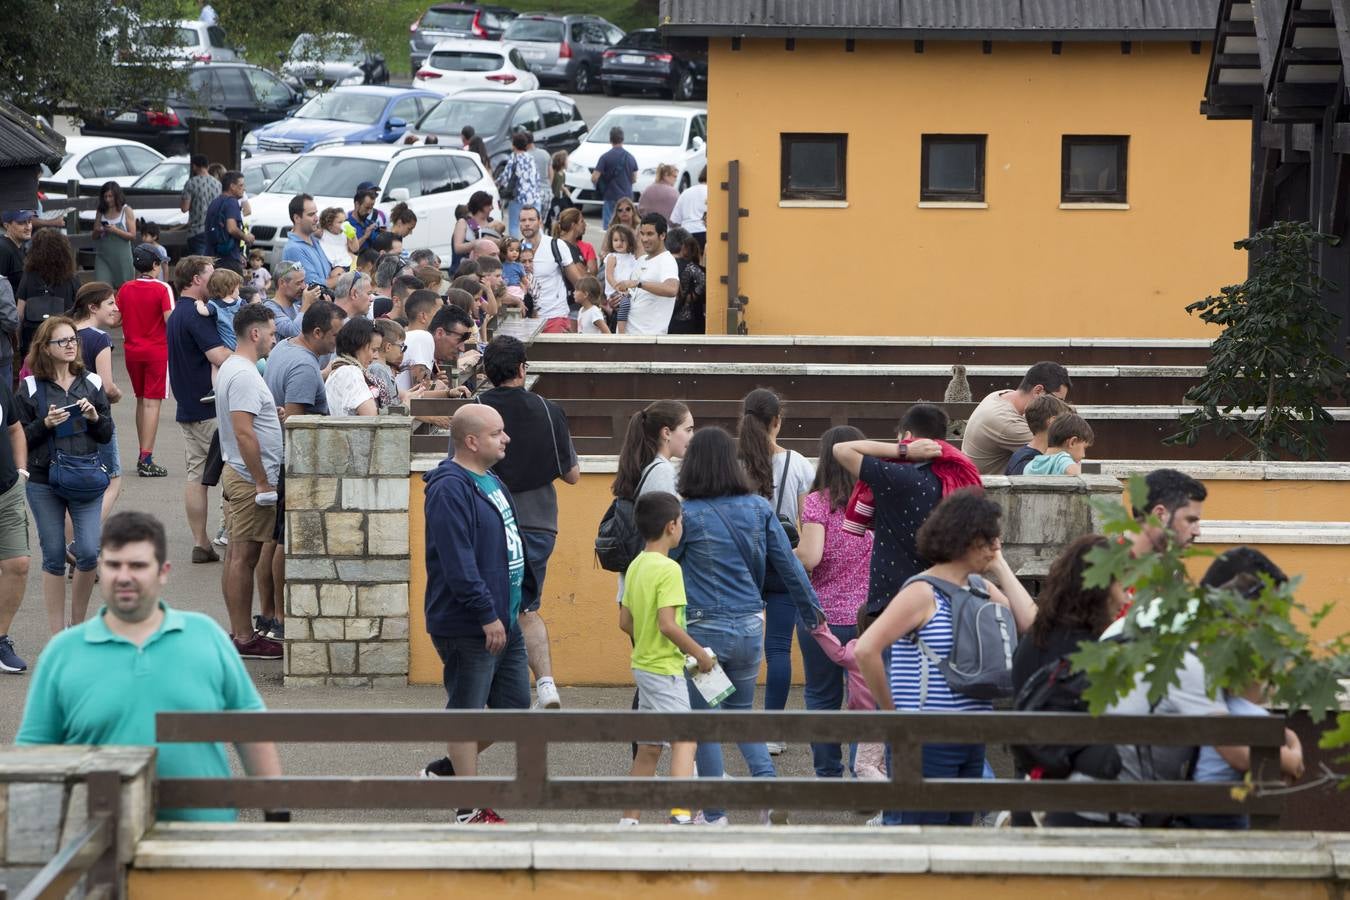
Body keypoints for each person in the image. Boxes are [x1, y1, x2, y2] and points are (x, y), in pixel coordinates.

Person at [15, 511, 283, 821]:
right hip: (100, 846)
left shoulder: (204, 636)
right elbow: (34, 753)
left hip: (205, 842)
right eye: (114, 565)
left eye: (138, 565)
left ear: (163, 572)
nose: (124, 576)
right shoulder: (63, 653)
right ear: (100, 568)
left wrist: (276, 815)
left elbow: (249, 728)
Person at [854, 489, 1036, 825]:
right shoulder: (922, 591)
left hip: (970, 734)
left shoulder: (979, 587)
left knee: (958, 842)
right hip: (926, 737)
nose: (997, 544)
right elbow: (866, 649)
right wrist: (892, 714)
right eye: (989, 538)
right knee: (922, 840)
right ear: (967, 539)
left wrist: (1000, 564)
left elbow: (1030, 622)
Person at [671, 426, 822, 825]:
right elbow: (789, 566)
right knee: (741, 716)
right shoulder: (759, 508)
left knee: (704, 722)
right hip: (752, 627)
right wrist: (814, 616)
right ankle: (769, 796)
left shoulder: (686, 515)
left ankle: (715, 814)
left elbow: (666, 568)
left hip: (704, 636)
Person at [419, 405, 533, 824]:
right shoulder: (451, 488)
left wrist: (519, 602)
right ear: (471, 441)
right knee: (467, 711)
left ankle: (448, 769)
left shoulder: (489, 479)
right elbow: (458, 561)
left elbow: (508, 540)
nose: (506, 439)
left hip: (505, 616)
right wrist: (486, 614)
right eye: (497, 433)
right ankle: (468, 808)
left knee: (514, 708)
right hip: (471, 623)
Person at [476, 336, 579, 709]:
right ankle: (546, 685)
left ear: (488, 371)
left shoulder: (475, 410)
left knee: (486, 608)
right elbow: (572, 476)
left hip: (486, 523)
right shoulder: (550, 410)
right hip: (537, 524)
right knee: (525, 608)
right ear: (523, 368)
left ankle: (491, 691)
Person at [618, 491, 712, 826]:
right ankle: (680, 816)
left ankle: (629, 822)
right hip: (665, 668)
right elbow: (668, 624)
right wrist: (700, 654)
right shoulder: (670, 569)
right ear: (672, 526)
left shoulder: (636, 565)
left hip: (643, 666)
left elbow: (624, 622)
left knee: (649, 749)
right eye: (681, 522)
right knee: (685, 739)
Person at [17, 316, 114, 636]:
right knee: (54, 554)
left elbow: (106, 434)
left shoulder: (93, 383)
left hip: (85, 475)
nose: (71, 344)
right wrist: (44, 424)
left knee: (88, 552)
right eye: (63, 341)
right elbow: (19, 439)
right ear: (46, 348)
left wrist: (94, 416)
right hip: (45, 480)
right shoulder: (31, 387)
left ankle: (79, 625)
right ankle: (59, 634)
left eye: (73, 339)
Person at [794, 425, 873, 778]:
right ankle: (864, 771)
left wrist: (787, 553)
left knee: (821, 697)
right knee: (865, 700)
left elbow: (810, 556)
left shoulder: (816, 502)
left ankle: (827, 772)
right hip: (868, 619)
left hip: (820, 617)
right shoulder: (875, 501)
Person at [736, 388, 815, 726]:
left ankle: (728, 721)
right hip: (785, 560)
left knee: (734, 648)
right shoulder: (796, 463)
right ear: (777, 422)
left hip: (741, 565)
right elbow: (806, 518)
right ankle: (772, 731)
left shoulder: (733, 463)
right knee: (779, 649)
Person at [831, 404, 952, 617]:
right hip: (942, 597)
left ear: (907, 435)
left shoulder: (896, 476)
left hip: (894, 599)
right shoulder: (955, 478)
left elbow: (841, 449)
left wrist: (903, 450)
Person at [213, 304, 283, 660]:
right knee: (244, 556)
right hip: (248, 478)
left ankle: (239, 632)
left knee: (238, 555)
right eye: (271, 332)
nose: (274, 337)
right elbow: (244, 432)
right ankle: (243, 636)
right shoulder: (243, 374)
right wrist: (262, 483)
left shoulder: (237, 368)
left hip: (242, 474)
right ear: (254, 334)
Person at [167, 256, 231, 563]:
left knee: (196, 476)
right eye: (210, 275)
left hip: (189, 405)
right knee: (233, 473)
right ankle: (236, 538)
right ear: (196, 279)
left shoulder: (178, 313)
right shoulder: (197, 314)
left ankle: (200, 542)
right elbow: (219, 355)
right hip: (210, 406)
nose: (215, 280)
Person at [117, 245, 173, 477]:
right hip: (156, 351)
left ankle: (143, 454)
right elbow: (171, 321)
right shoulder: (163, 289)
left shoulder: (125, 288)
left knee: (141, 401)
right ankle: (146, 457)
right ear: (154, 266)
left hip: (132, 350)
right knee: (152, 403)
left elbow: (115, 318)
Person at [70, 283, 124, 521]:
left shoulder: (65, 333)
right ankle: (87, 534)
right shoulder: (100, 339)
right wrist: (118, 394)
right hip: (96, 418)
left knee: (71, 486)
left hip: (67, 415)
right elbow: (106, 386)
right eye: (110, 303)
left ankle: (69, 545)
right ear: (93, 307)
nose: (116, 308)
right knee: (112, 478)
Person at [963, 361, 1073, 475]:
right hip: (988, 488)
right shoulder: (1008, 422)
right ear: (1038, 391)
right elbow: (1062, 451)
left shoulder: (1002, 395)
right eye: (1058, 401)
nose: (1061, 407)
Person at [264, 301, 343, 418]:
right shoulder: (305, 366)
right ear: (317, 333)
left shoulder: (283, 345)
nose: (340, 340)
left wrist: (322, 375)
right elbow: (296, 427)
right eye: (336, 335)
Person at [0, 363, 29, 673]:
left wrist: (21, 471)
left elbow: (14, 427)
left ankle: (0, 638)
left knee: (18, 564)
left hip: (7, 490)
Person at [16, 229, 80, 360]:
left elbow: (19, 313)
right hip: (63, 339)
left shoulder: (29, 276)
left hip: (33, 339)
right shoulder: (71, 278)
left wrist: (17, 340)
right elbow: (80, 311)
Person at [518, 205, 583, 333]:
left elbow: (577, 282)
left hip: (555, 317)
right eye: (523, 220)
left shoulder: (556, 245)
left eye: (531, 220)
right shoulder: (515, 250)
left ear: (540, 221)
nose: (527, 224)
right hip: (525, 320)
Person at [613, 214, 679, 336]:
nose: (644, 239)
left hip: (647, 339)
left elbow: (672, 289)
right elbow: (635, 297)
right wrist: (617, 302)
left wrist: (638, 283)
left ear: (662, 235)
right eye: (642, 234)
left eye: (649, 234)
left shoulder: (667, 260)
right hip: (627, 337)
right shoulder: (641, 260)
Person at [324, 317, 382, 416]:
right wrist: (406, 405)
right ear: (359, 345)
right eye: (374, 350)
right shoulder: (350, 372)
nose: (376, 356)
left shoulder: (341, 370)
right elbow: (371, 417)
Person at [1005, 394, 1071, 476]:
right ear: (1053, 421)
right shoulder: (1027, 463)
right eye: (1064, 422)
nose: (1068, 429)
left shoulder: (1023, 455)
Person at [281, 194, 336, 287]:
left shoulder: (315, 240)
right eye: (311, 214)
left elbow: (329, 272)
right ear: (297, 218)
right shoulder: (294, 249)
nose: (316, 218)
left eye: (316, 213)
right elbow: (313, 286)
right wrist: (344, 279)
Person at [204, 171, 250, 275]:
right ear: (232, 186)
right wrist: (246, 237)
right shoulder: (231, 202)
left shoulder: (215, 202)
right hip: (228, 259)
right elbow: (231, 228)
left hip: (212, 257)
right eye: (241, 185)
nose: (244, 188)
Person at [593, 126, 638, 230]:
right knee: (626, 226)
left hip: (610, 196)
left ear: (610, 139)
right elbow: (634, 179)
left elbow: (595, 177)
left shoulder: (605, 157)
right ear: (622, 139)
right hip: (626, 196)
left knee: (609, 227)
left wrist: (600, 185)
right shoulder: (630, 157)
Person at [500, 132, 542, 238]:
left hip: (518, 197)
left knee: (514, 224)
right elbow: (537, 178)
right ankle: (539, 247)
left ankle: (515, 248)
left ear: (514, 145)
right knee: (536, 224)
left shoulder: (513, 158)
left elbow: (505, 177)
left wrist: (496, 183)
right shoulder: (531, 158)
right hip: (534, 196)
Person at [264, 260, 320, 340]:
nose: (304, 287)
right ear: (282, 283)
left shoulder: (297, 307)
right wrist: (306, 303)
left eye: (303, 281)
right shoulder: (269, 308)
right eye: (298, 283)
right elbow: (294, 333)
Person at [1024, 413, 1094, 476]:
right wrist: (1078, 469)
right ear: (1072, 442)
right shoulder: (1062, 460)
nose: (1083, 455)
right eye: (1084, 448)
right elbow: (1078, 477)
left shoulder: (1030, 465)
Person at [180, 155, 220, 257]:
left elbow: (184, 208)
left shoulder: (191, 183)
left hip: (196, 231)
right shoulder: (218, 184)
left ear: (194, 166)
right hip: (214, 230)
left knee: (199, 265)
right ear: (207, 166)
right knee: (212, 263)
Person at [601, 223, 638, 333]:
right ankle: (621, 332)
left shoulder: (632, 257)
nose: (619, 243)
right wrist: (619, 289)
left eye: (623, 240)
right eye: (616, 240)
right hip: (615, 291)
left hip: (628, 290)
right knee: (625, 304)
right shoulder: (612, 257)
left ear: (629, 241)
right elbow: (609, 276)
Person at [452, 191, 498, 273]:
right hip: (467, 270)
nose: (492, 208)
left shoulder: (491, 221)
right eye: (489, 205)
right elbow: (458, 248)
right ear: (481, 206)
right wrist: (481, 242)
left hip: (489, 269)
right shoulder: (465, 222)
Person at [198, 268, 243, 351]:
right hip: (243, 343)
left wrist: (199, 302)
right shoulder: (240, 303)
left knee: (214, 364)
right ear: (230, 288)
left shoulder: (214, 305)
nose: (238, 291)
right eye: (237, 288)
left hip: (228, 346)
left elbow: (203, 311)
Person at [669, 235, 706, 335]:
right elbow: (703, 279)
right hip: (686, 314)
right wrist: (693, 296)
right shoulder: (691, 266)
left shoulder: (668, 264)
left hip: (668, 313)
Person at [369, 319, 405, 408]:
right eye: (401, 346)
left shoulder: (382, 368)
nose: (401, 351)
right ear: (388, 347)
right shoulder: (378, 369)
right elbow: (387, 405)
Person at [670, 167, 708, 249]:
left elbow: (675, 219)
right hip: (705, 232)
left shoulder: (686, 192)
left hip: (686, 233)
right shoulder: (712, 192)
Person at [554, 207, 598, 276]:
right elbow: (584, 276)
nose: (585, 224)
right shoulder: (564, 246)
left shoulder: (573, 246)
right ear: (573, 225)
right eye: (582, 221)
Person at [0, 208, 33, 294]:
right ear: (7, 225)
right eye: (21, 223)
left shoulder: (22, 246)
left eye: (29, 221)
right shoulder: (3, 249)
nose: (28, 227)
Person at [318, 207, 351, 272]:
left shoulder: (345, 233)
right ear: (329, 225)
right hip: (332, 266)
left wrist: (353, 235)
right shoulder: (323, 233)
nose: (343, 224)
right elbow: (309, 232)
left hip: (346, 264)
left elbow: (355, 248)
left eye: (344, 221)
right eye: (340, 222)